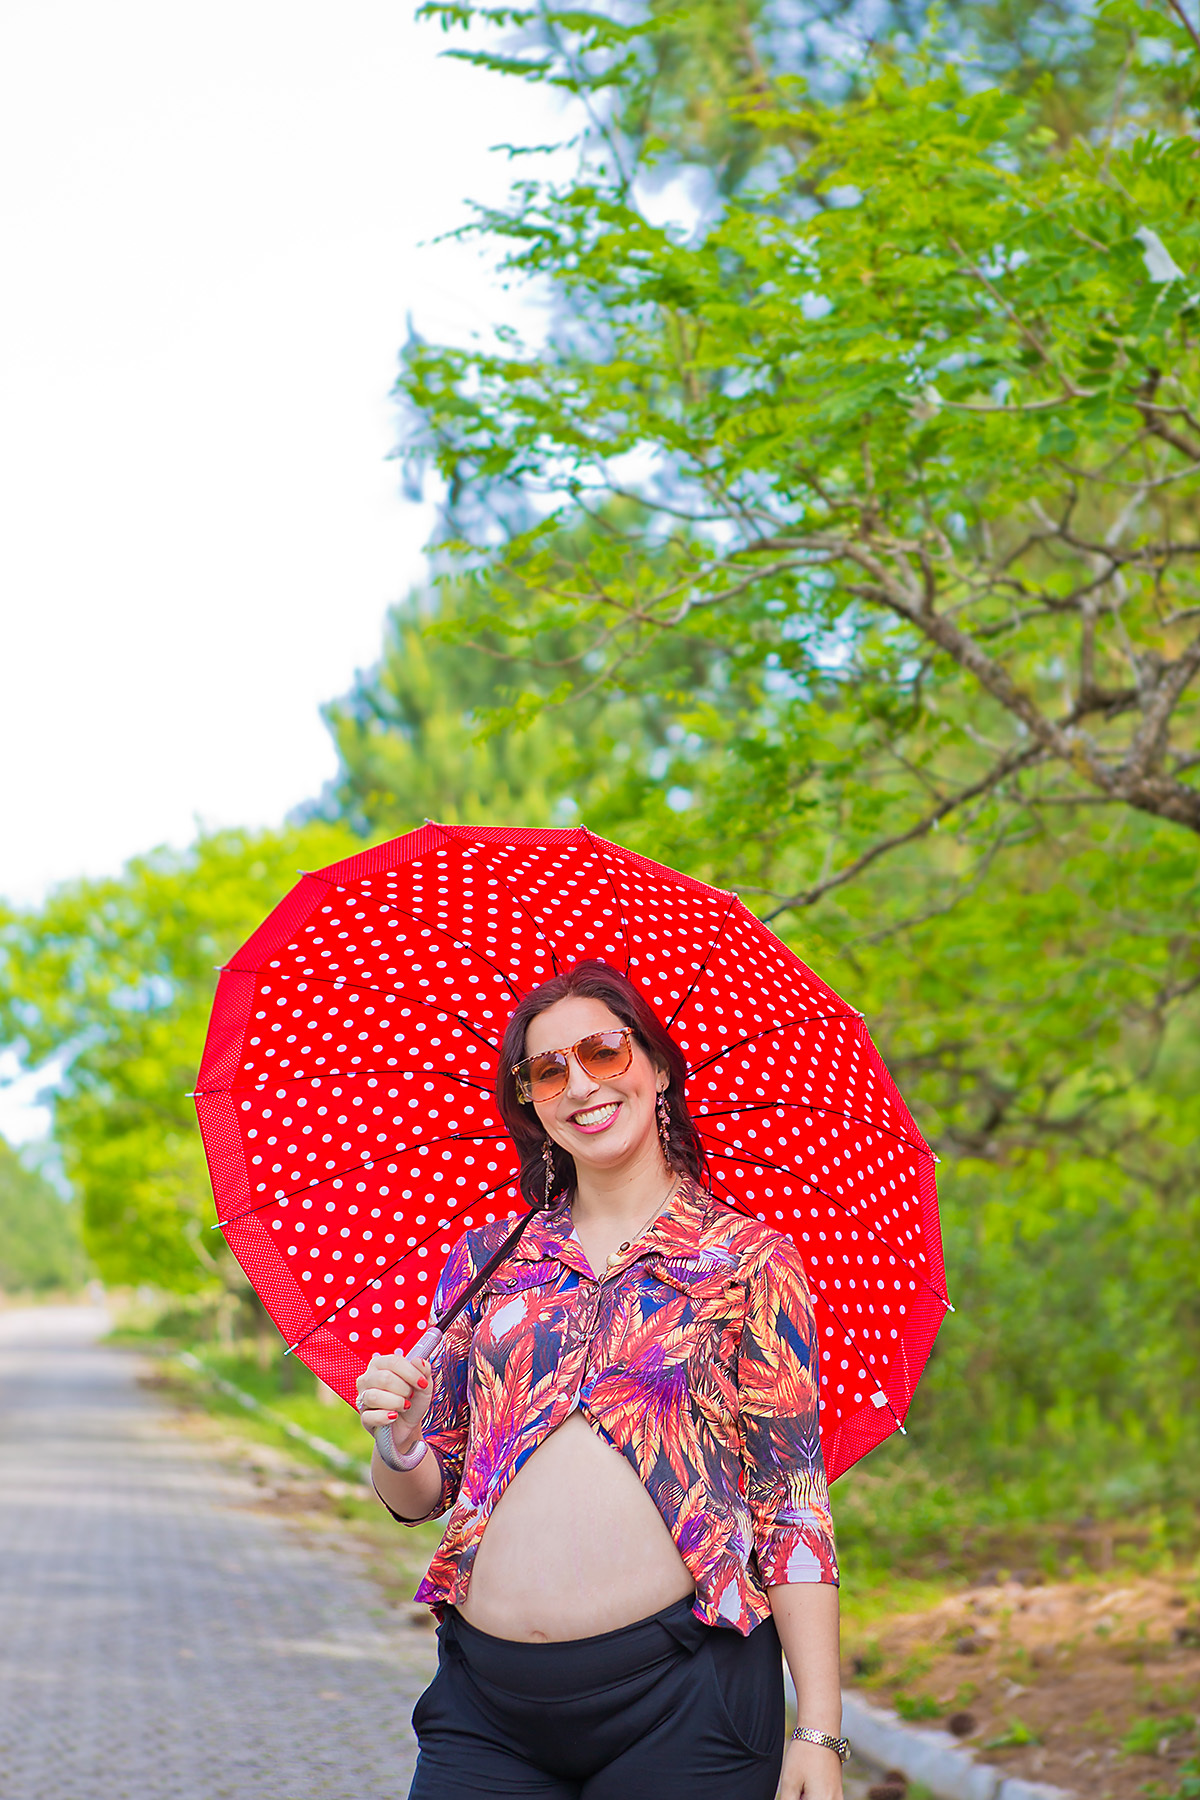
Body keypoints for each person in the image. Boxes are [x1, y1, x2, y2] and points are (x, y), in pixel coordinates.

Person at [356, 960, 844, 1800]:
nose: (580, 1084)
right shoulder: (487, 1262)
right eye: (548, 1071)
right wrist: (397, 1448)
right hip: (485, 1704)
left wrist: (819, 1731)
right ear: (532, 1105)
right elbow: (422, 1494)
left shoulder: (748, 1260)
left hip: (685, 1701)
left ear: (657, 1068)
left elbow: (791, 1502)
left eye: (604, 1052)